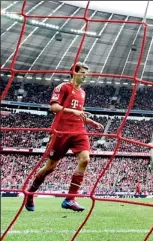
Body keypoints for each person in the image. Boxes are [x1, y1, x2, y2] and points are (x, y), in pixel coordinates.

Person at [25, 62, 104, 212]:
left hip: (79, 131)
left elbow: (78, 112)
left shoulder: (82, 93)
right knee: (50, 168)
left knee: (85, 159)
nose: (85, 75)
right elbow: (54, 107)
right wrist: (72, 112)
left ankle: (70, 199)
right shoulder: (63, 87)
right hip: (61, 131)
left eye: (87, 73)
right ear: (74, 73)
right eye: (82, 72)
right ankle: (30, 193)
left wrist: (90, 122)